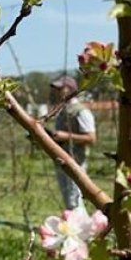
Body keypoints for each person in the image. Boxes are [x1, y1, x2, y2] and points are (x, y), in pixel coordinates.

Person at [48, 76, 96, 212]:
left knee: (74, 200)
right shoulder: (61, 111)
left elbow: (91, 138)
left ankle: (83, 230)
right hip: (63, 160)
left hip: (76, 160)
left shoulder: (81, 111)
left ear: (70, 90)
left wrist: (65, 136)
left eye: (60, 88)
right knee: (69, 199)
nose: (56, 92)